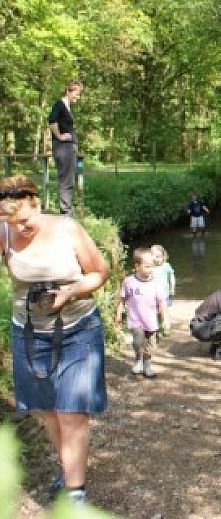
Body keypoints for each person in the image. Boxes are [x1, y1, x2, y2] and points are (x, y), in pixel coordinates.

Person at [0, 174, 109, 505]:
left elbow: (99, 272)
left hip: (78, 329)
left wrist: (71, 290)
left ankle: (75, 493)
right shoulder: (4, 230)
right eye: (11, 222)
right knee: (48, 411)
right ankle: (69, 467)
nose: (20, 228)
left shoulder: (66, 228)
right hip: (29, 333)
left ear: (37, 203)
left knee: (71, 412)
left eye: (24, 220)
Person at [114, 248, 169, 378]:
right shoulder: (129, 282)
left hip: (151, 320)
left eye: (152, 266)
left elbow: (162, 302)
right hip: (135, 320)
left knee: (151, 345)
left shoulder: (156, 282)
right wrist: (118, 314)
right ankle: (139, 359)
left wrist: (165, 319)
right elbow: (122, 299)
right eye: (147, 266)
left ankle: (147, 363)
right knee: (138, 341)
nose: (151, 269)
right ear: (137, 266)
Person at [48, 79, 83, 216]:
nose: (78, 97)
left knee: (68, 180)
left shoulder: (66, 106)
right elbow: (52, 120)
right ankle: (66, 213)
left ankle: (67, 211)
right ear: (69, 91)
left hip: (68, 149)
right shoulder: (60, 104)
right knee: (66, 181)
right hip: (63, 148)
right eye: (77, 94)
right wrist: (59, 136)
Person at [151, 244, 175, 332]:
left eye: (159, 257)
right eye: (155, 257)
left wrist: (172, 287)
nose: (157, 259)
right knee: (155, 310)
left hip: (164, 293)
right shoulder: (150, 267)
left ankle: (166, 326)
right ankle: (157, 325)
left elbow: (171, 277)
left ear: (163, 256)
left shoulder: (166, 266)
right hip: (153, 294)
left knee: (165, 310)